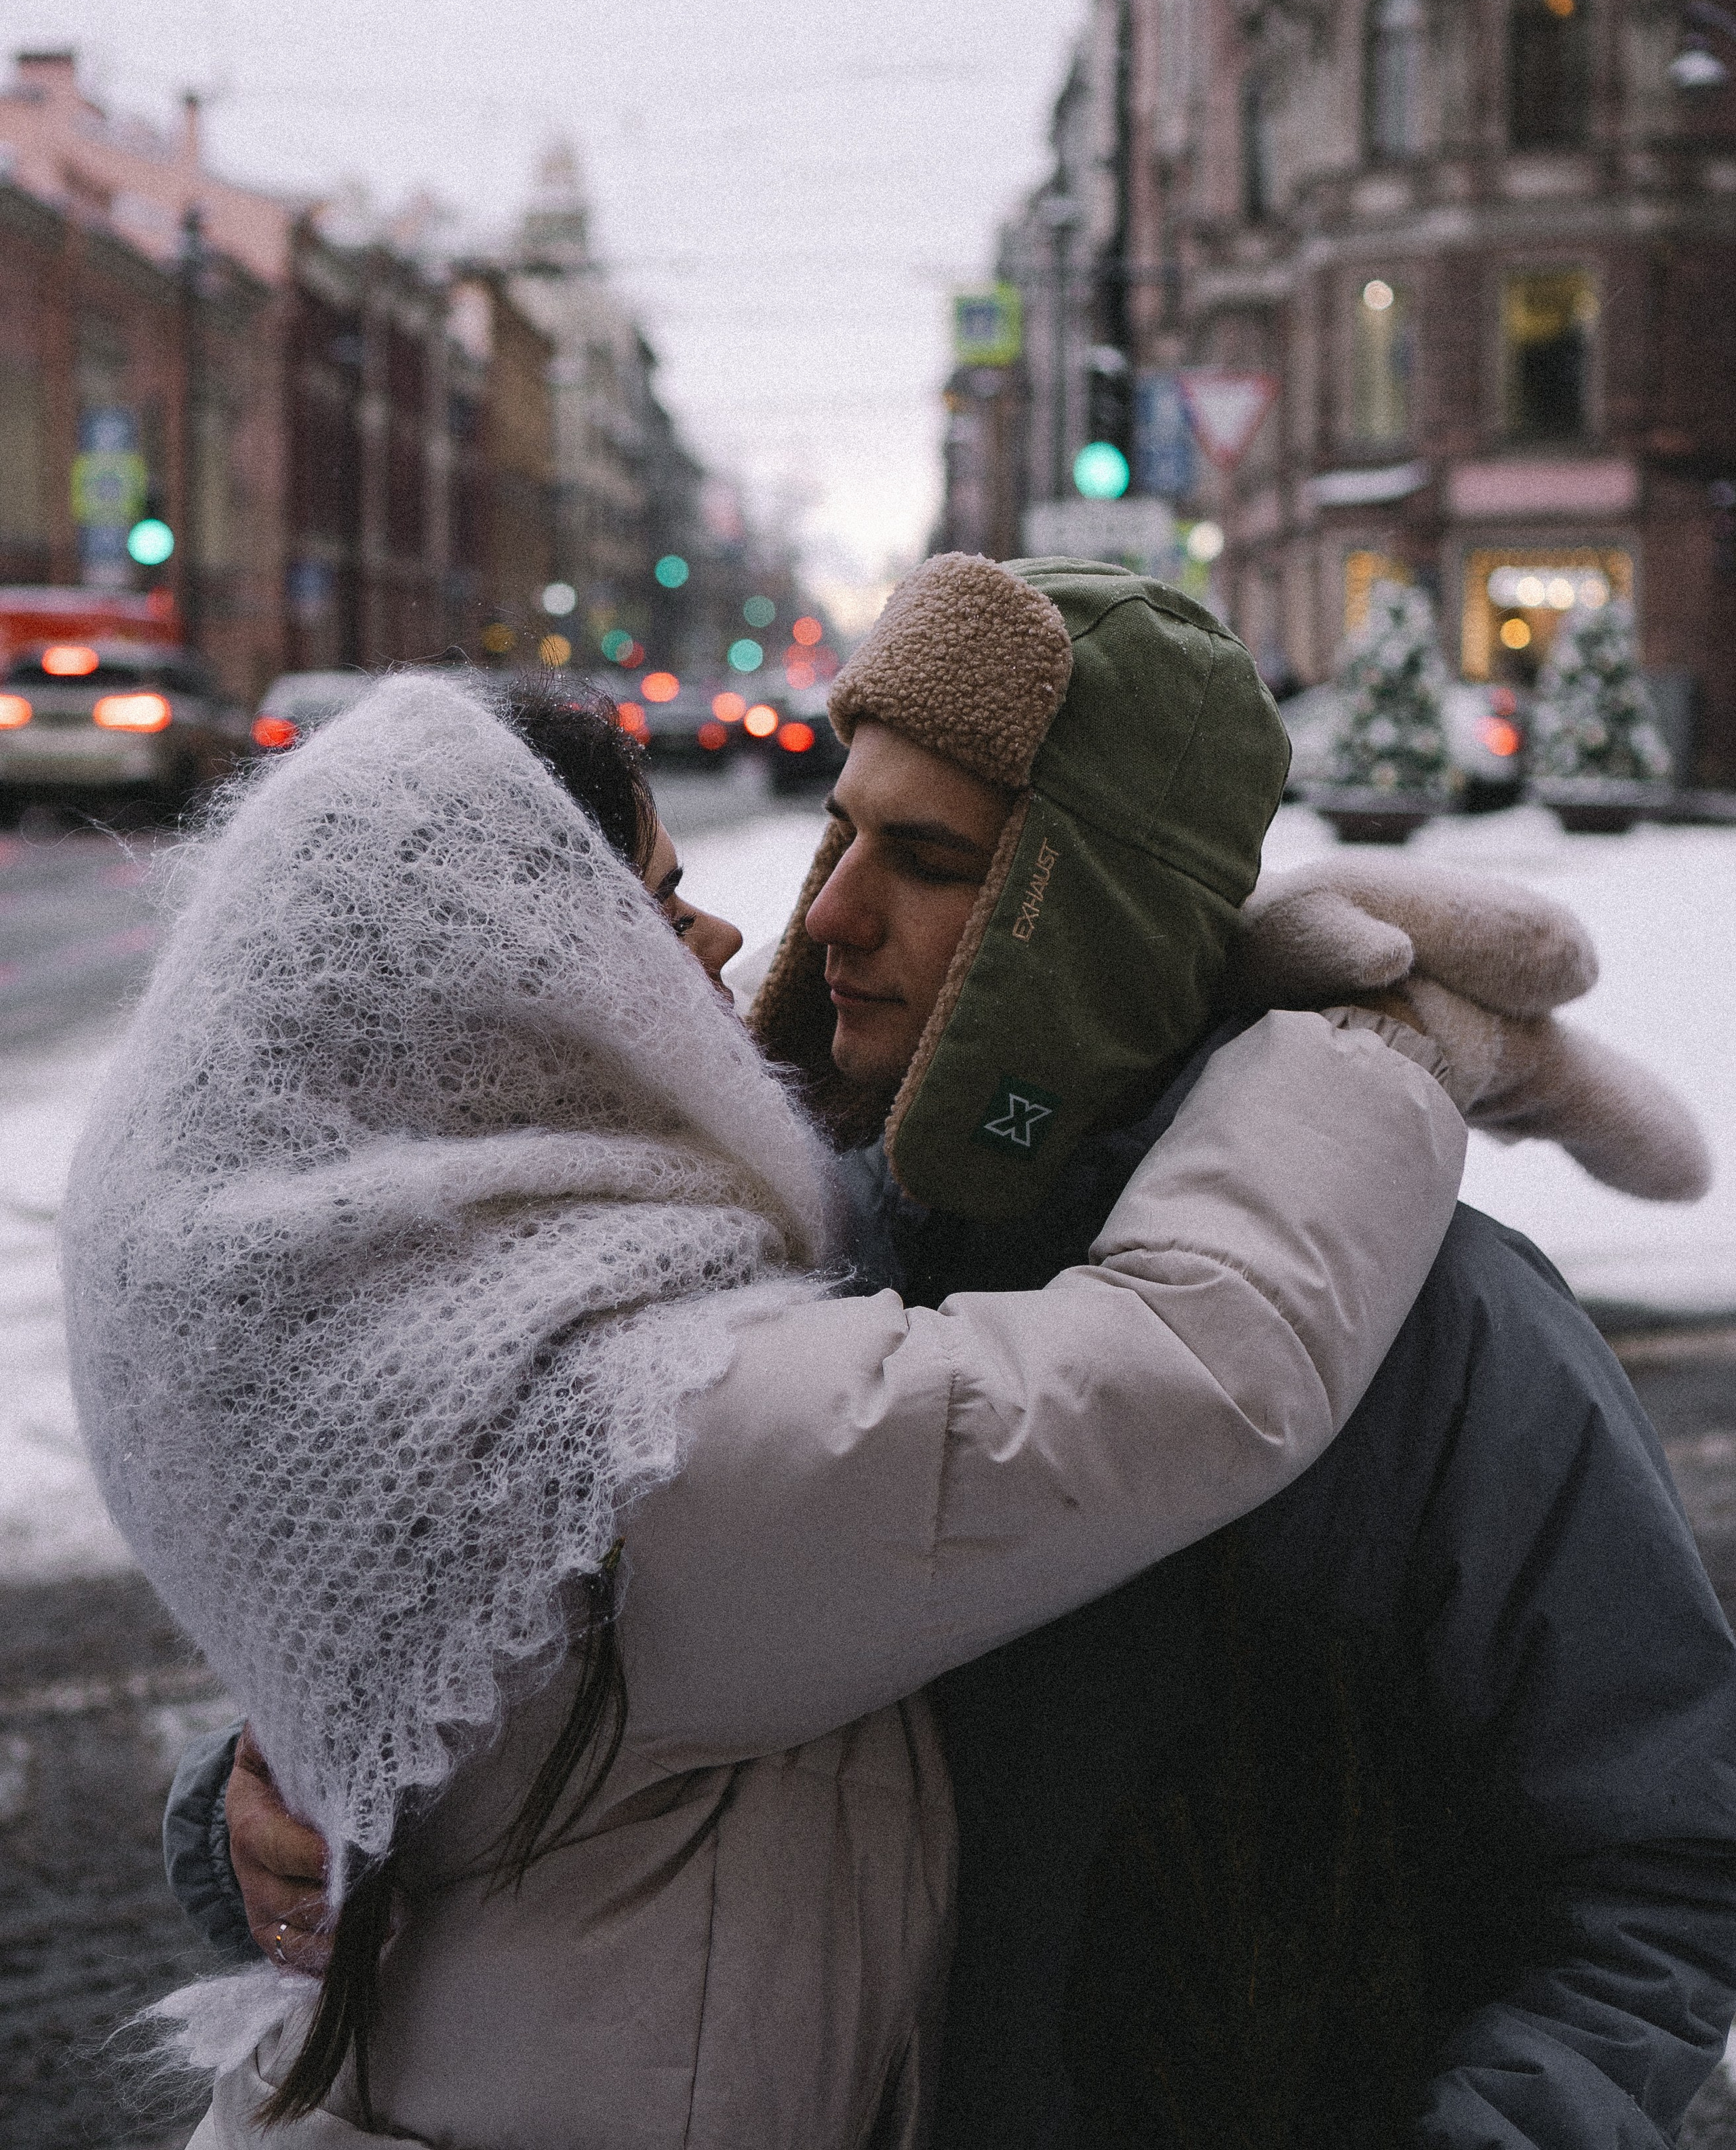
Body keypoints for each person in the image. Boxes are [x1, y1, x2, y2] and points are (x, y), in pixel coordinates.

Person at [165, 561, 1736, 2148]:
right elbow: (521, 1697)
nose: (828, 910)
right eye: (838, 831)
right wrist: (257, 1802)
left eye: (923, 860)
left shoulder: (1440, 1326)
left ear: (1097, 924)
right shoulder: (767, 1269)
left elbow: (1659, 1868)